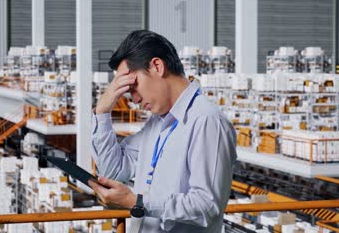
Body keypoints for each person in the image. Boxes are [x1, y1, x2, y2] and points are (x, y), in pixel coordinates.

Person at [89, 30, 237, 232]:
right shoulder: (158, 123)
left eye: (133, 86)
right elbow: (114, 171)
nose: (134, 99)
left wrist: (138, 202)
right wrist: (102, 112)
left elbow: (206, 206)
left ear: (157, 66)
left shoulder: (207, 121)